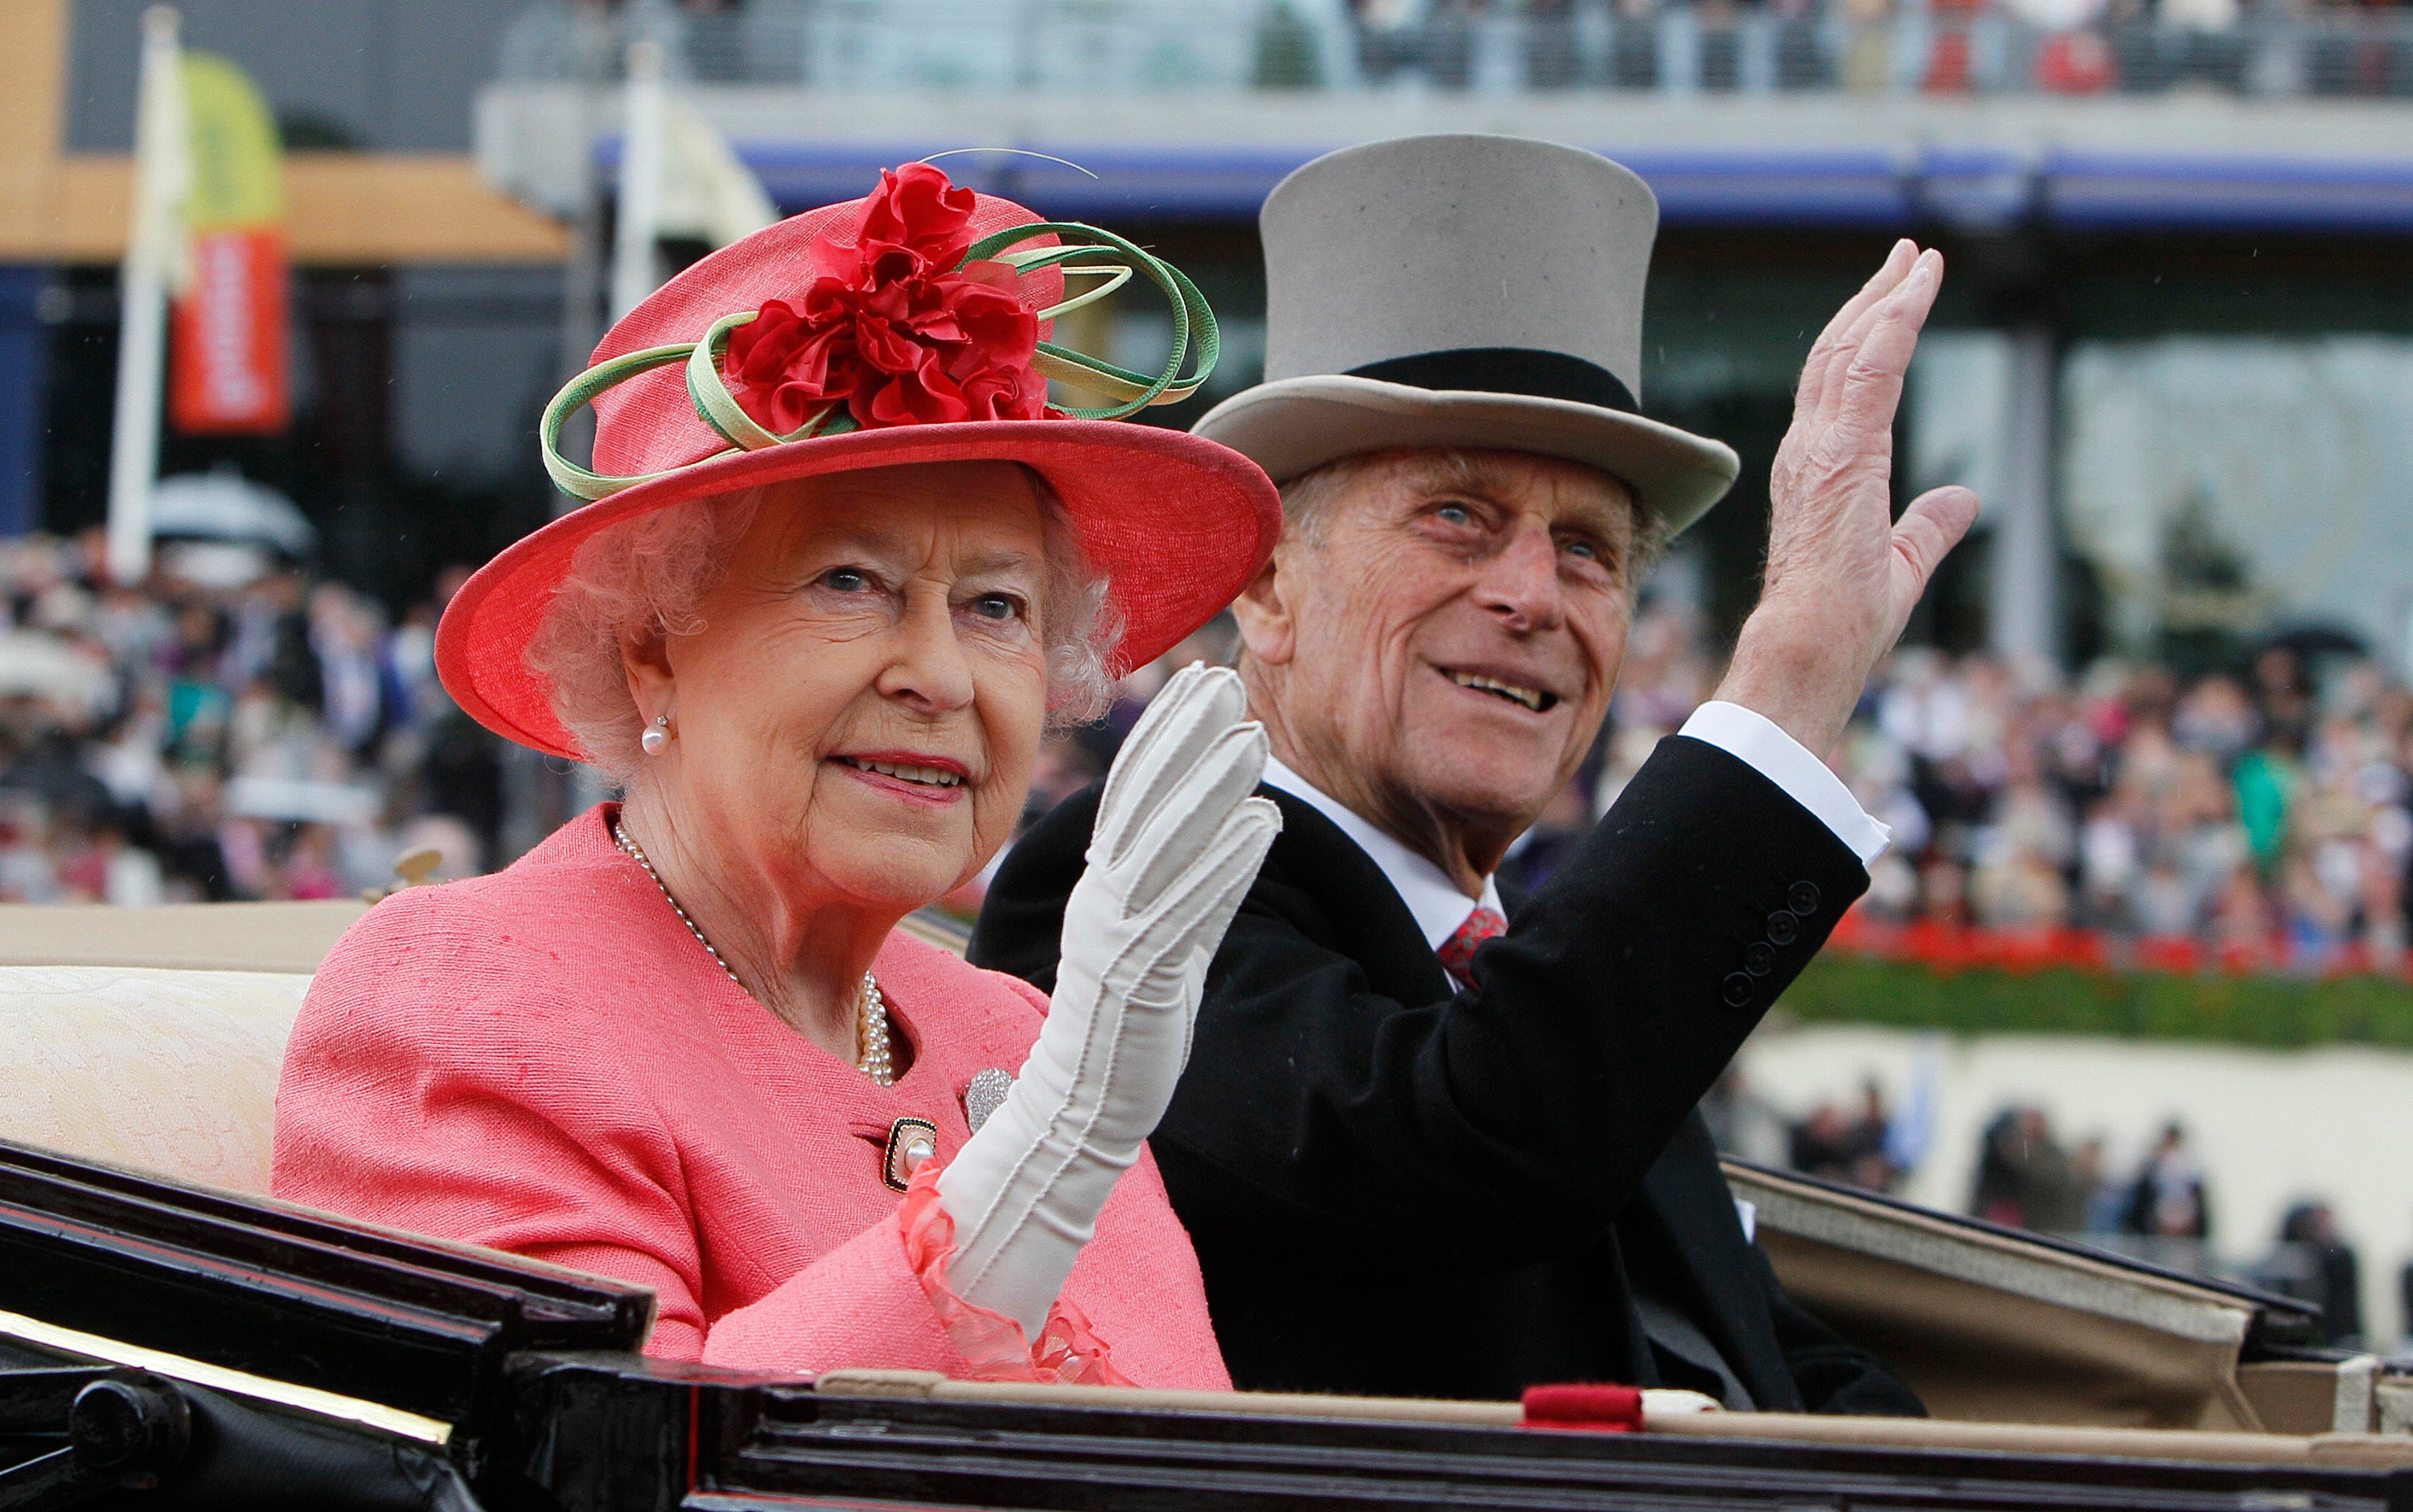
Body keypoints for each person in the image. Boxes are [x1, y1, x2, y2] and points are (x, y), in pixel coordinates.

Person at [974, 135, 1976, 1408]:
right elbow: (1465, 1151)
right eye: (1457, 514)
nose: (1529, 596)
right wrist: (1785, 692)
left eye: (1587, 550)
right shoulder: (1125, 883)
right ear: (1271, 583)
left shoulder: (1539, 976)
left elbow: (1760, 1361)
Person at [274, 164, 1286, 1387]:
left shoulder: (1010, 1031)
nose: (941, 675)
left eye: (998, 606)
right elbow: (593, 1460)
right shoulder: (465, 994)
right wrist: (1038, 1162)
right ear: (652, 646)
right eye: (849, 583)